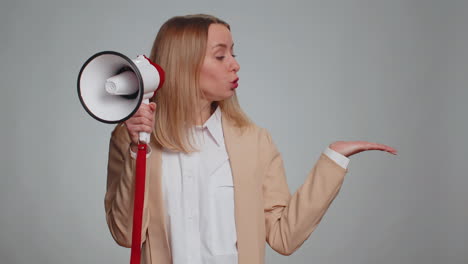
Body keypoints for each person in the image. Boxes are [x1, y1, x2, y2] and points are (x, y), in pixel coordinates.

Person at [105, 14, 397, 264]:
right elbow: (125, 234)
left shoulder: (255, 142)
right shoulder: (129, 138)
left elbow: (284, 237)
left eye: (234, 53)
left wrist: (333, 159)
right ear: (184, 64)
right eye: (220, 56)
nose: (234, 65)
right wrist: (136, 149)